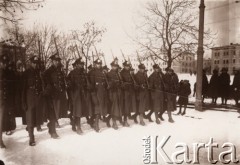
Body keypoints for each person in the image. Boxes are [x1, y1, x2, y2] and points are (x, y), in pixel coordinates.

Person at [44, 53, 69, 138]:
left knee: (57, 113)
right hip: (52, 95)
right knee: (53, 113)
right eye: (55, 61)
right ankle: (52, 131)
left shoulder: (60, 71)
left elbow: (62, 83)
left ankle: (50, 125)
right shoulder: (48, 71)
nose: (57, 62)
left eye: (58, 61)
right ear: (52, 61)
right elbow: (46, 83)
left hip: (59, 95)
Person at [22, 56, 45, 146]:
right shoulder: (26, 73)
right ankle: (31, 138)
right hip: (29, 98)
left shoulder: (38, 73)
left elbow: (40, 86)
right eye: (34, 63)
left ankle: (31, 132)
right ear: (30, 63)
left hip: (37, 98)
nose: (35, 64)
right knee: (30, 118)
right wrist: (23, 101)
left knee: (36, 117)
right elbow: (23, 89)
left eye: (36, 63)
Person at [0, 55, 16, 148]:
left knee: (1, 120)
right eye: (2, 63)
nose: (4, 64)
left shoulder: (7, 72)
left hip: (3, 100)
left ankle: (0, 140)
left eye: (5, 63)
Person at [89, 59, 109, 132]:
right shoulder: (92, 72)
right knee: (97, 108)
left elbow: (105, 82)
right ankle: (96, 124)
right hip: (95, 93)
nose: (99, 65)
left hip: (102, 93)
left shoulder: (102, 72)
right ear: (95, 64)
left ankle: (92, 121)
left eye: (100, 64)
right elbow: (91, 84)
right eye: (98, 64)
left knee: (100, 109)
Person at [67, 59, 87, 134]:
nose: (81, 65)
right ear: (76, 65)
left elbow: (85, 82)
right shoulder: (72, 73)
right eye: (80, 64)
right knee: (77, 110)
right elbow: (68, 83)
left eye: (82, 64)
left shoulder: (83, 73)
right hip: (75, 94)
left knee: (79, 110)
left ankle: (74, 124)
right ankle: (78, 127)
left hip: (82, 94)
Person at [120, 61, 138, 126]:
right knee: (125, 107)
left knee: (130, 106)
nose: (127, 67)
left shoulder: (130, 72)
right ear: (124, 66)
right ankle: (124, 120)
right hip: (125, 92)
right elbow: (121, 83)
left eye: (128, 66)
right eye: (126, 66)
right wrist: (125, 84)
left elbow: (133, 80)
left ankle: (126, 118)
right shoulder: (121, 73)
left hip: (131, 91)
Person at [107, 60, 123, 129]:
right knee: (114, 108)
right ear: (111, 66)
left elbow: (120, 82)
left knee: (117, 108)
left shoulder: (118, 74)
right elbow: (108, 85)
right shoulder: (109, 74)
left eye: (116, 66)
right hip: (112, 93)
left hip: (118, 92)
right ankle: (114, 123)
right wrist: (112, 84)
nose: (115, 67)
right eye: (114, 66)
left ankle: (108, 119)